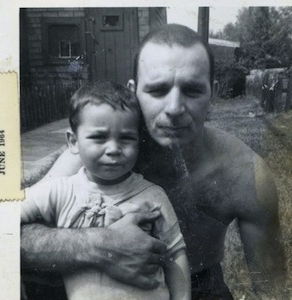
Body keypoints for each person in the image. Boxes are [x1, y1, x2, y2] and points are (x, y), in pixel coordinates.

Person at [21, 24, 287, 299]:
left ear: (214, 94)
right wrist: (98, 245)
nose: (174, 108)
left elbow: (271, 289)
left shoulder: (244, 174)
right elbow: (6, 236)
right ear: (134, 92)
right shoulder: (100, 157)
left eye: (192, 91)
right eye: (158, 90)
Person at [21, 81, 191, 300]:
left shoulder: (153, 196)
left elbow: (176, 256)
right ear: (73, 141)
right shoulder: (59, 191)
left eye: (126, 138)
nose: (113, 149)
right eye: (99, 137)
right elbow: (5, 216)